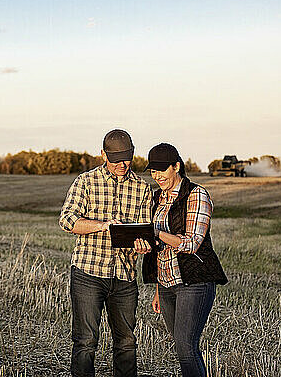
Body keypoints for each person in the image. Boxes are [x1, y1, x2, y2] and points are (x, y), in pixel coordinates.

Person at [59, 129, 152, 377]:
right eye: (116, 158)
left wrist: (142, 244)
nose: (123, 164)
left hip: (124, 277)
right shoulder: (85, 181)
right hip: (88, 274)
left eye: (128, 158)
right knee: (86, 342)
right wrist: (103, 225)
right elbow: (67, 221)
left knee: (126, 344)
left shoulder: (142, 188)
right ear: (103, 154)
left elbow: (144, 230)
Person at [137, 143, 228, 377]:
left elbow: (191, 243)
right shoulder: (156, 198)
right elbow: (157, 250)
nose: (157, 176)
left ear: (176, 166)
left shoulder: (196, 195)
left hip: (194, 281)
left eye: (162, 170)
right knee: (180, 347)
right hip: (167, 285)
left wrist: (155, 233)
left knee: (185, 346)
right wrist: (158, 288)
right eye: (153, 171)